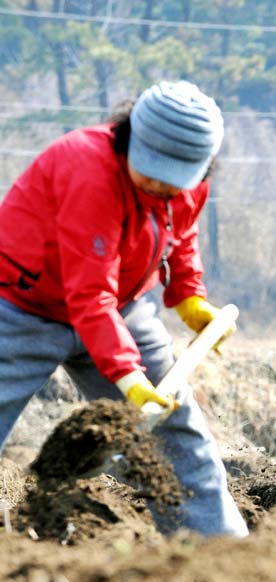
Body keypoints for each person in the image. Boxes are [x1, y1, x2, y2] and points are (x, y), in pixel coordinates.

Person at [0, 79, 248, 538]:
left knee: (177, 433)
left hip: (122, 308)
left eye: (174, 178)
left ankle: (220, 551)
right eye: (151, 170)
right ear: (129, 137)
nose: (159, 185)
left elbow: (182, 236)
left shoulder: (189, 184)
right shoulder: (87, 168)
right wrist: (129, 377)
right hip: (21, 305)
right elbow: (89, 293)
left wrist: (189, 298)